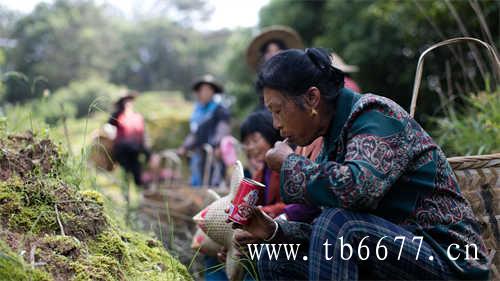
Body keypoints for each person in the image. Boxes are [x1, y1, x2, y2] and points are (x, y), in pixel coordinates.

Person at [231, 48, 491, 280]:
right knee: (273, 255)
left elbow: (358, 190)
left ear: (311, 98)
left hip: (448, 258)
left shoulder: (375, 114)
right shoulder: (331, 140)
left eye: (278, 111)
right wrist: (275, 230)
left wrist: (290, 164)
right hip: (392, 252)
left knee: (340, 222)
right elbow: (324, 236)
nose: (276, 125)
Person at [178, 75, 230, 187]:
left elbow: (223, 128)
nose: (204, 93)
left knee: (214, 183)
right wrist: (185, 146)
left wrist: (218, 145)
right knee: (201, 182)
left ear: (213, 92)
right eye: (201, 90)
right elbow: (194, 133)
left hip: (214, 153)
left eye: (207, 89)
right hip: (201, 154)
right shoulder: (197, 112)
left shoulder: (219, 109)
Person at [108, 92, 149, 186]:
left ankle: (139, 195)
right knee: (125, 173)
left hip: (135, 150)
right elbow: (109, 124)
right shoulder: (118, 115)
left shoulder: (137, 116)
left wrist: (147, 151)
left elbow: (143, 134)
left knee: (137, 173)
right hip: (122, 150)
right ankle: (126, 195)